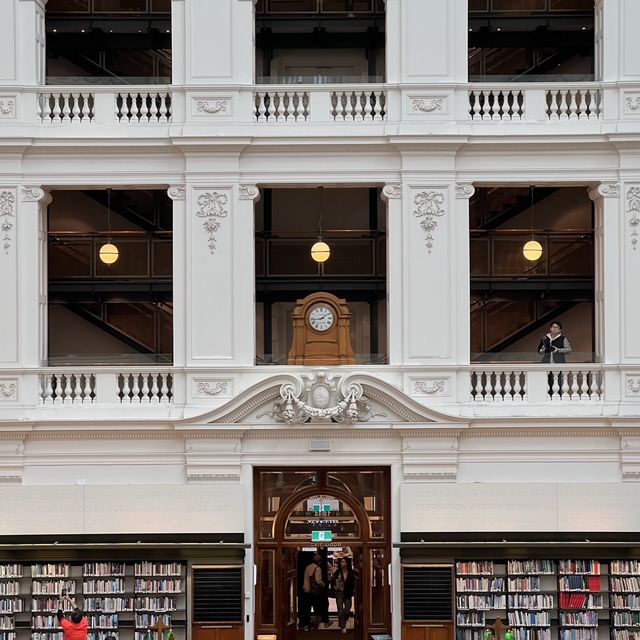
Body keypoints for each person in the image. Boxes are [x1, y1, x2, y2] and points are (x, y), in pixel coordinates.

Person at [300, 552, 328, 631]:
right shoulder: (318, 568)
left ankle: (306, 625)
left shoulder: (307, 567)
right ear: (319, 561)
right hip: (315, 592)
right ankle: (316, 626)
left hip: (306, 591)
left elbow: (305, 579)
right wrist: (323, 585)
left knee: (307, 609)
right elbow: (318, 580)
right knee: (317, 608)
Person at [331, 557, 355, 634]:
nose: (342, 563)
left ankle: (343, 620)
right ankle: (343, 627)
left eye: (344, 562)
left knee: (348, 608)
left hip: (348, 593)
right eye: (341, 562)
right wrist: (334, 587)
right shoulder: (337, 572)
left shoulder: (351, 573)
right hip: (339, 592)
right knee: (340, 609)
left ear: (347, 563)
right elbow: (332, 581)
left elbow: (354, 582)